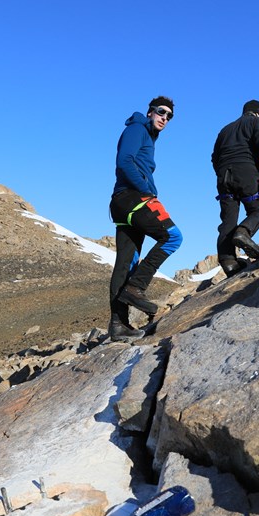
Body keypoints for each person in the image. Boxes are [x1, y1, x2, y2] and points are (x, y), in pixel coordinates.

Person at [108, 96, 183, 342]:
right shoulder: (137, 129)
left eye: (170, 116)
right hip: (134, 198)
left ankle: (118, 324)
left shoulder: (146, 135)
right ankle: (135, 289)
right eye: (162, 112)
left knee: (126, 263)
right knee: (172, 237)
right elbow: (124, 161)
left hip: (122, 202)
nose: (165, 118)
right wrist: (146, 191)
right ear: (150, 112)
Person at [211, 99, 259, 276]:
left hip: (223, 177)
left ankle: (228, 260)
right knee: (257, 210)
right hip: (245, 172)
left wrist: (222, 172)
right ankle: (244, 232)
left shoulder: (225, 129)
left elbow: (214, 157)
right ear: (258, 112)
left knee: (228, 220)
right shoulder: (257, 121)